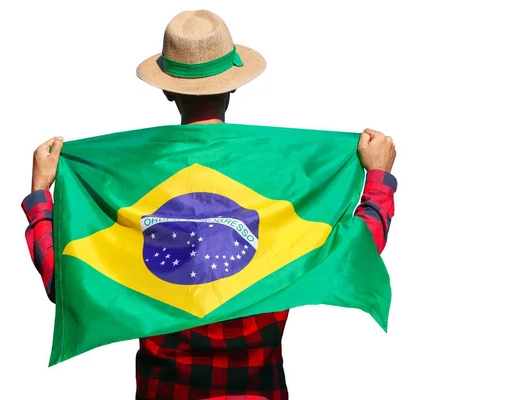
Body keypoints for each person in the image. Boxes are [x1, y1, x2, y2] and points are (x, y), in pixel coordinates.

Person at [22, 10, 397, 400]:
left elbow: (68, 281)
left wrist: (40, 195)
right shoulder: (283, 181)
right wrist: (377, 181)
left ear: (167, 90)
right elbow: (353, 253)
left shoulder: (127, 185)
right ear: (233, 86)